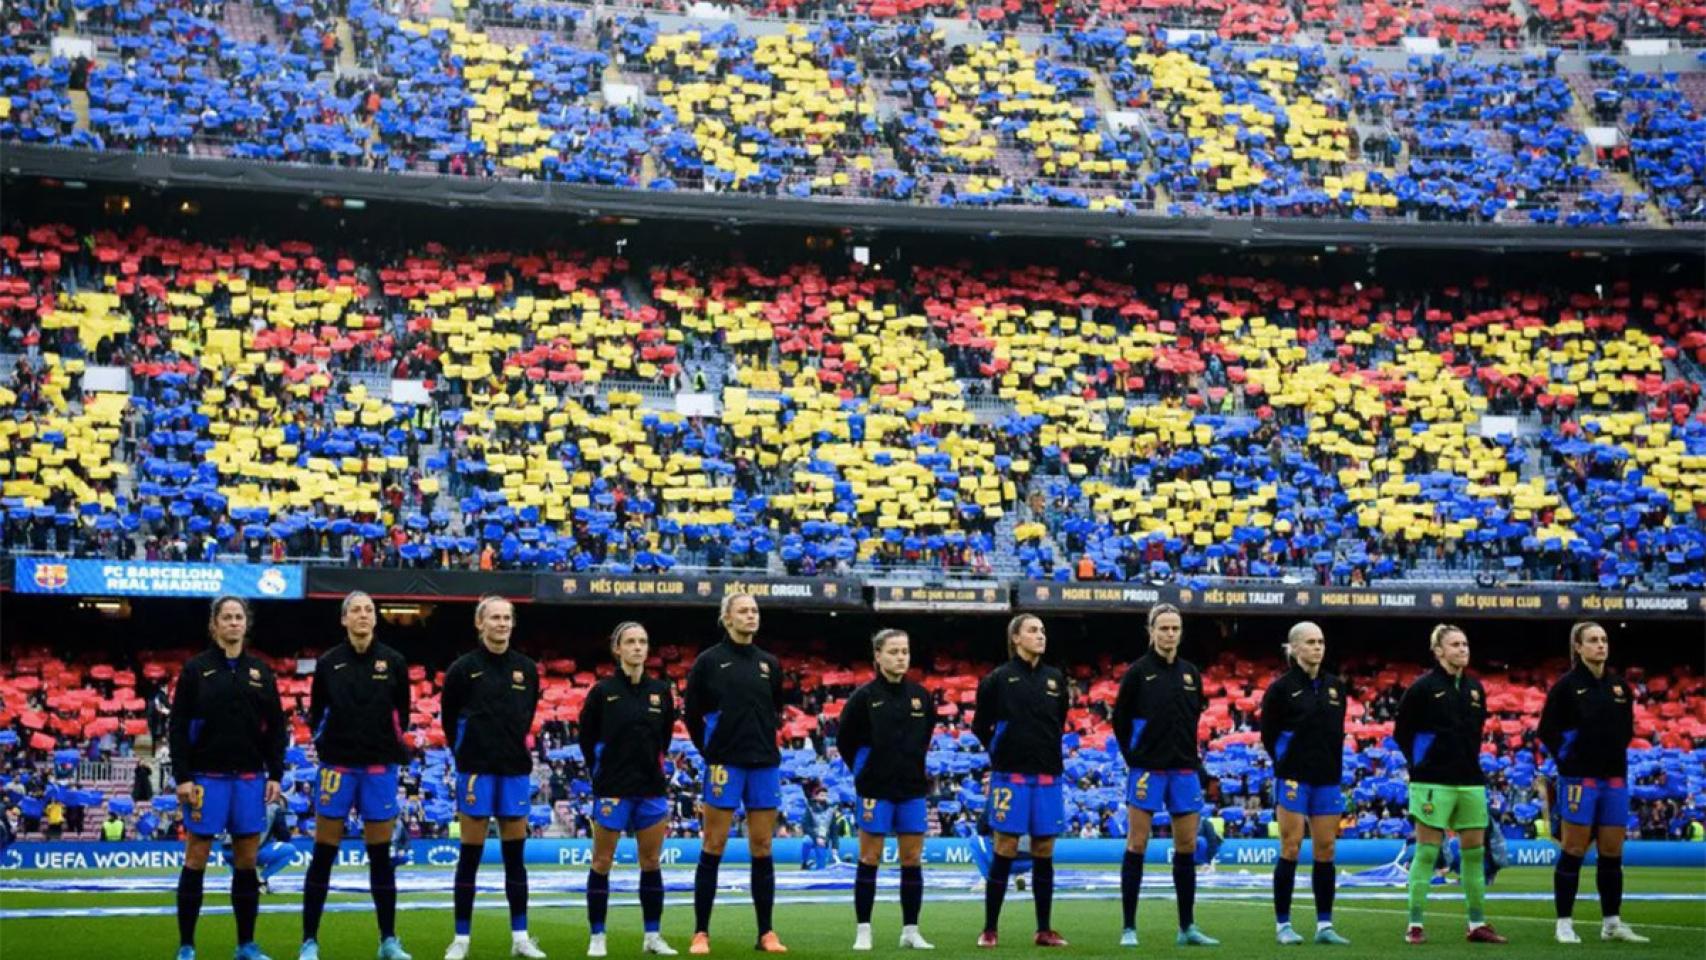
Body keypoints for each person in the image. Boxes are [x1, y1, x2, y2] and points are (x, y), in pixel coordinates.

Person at [169, 595, 288, 960]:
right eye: (227, 617)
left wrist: (276, 773)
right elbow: (177, 727)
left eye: (239, 617)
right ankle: (187, 945)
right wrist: (183, 777)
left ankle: (246, 945)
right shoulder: (195, 670)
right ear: (215, 625)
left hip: (251, 778)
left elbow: (276, 728)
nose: (234, 622)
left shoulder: (260, 671)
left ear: (245, 624)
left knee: (247, 860)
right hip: (206, 778)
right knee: (197, 857)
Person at [300, 592, 414, 960]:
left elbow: (403, 715)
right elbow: (317, 715)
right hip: (338, 768)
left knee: (380, 857)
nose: (363, 616)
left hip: (379, 769)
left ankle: (388, 941)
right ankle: (309, 941)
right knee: (323, 854)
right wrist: (331, 747)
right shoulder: (329, 663)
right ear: (344, 619)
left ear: (375, 619)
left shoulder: (394, 661)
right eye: (356, 610)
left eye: (369, 610)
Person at [683, 594, 788, 954]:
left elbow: (777, 708)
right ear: (726, 618)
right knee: (714, 844)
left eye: (755, 611)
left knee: (762, 845)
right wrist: (710, 751)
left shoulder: (769, 663)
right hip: (724, 765)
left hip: (763, 763)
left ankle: (766, 933)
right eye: (743, 611)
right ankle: (701, 932)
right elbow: (691, 713)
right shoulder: (708, 662)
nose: (751, 616)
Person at [441, 597, 544, 960]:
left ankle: (520, 938)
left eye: (507, 618)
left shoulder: (527, 669)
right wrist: (470, 752)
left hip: (514, 770)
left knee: (515, 859)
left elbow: (527, 715)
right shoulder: (462, 669)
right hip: (476, 771)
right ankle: (461, 939)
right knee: (469, 856)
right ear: (479, 623)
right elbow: (449, 720)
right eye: (495, 618)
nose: (501, 624)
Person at [1111, 604, 1218, 948]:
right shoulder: (1138, 673)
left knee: (1186, 846)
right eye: (1164, 628)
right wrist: (1135, 758)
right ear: (1151, 631)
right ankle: (1129, 927)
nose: (1170, 634)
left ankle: (1186, 926)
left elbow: (1193, 718)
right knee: (1137, 844)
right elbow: (1120, 722)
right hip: (1147, 770)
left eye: (1175, 628)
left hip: (1184, 769)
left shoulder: (1190, 674)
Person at [1538, 621, 1649, 944]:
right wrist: (1569, 762)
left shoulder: (1619, 687)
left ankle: (1611, 923)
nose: (1601, 645)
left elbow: (1626, 730)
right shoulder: (1566, 687)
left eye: (1603, 640)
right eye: (1593, 640)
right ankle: (1564, 922)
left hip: (1614, 776)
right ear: (1578, 647)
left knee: (1612, 852)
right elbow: (1547, 731)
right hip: (1579, 778)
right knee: (1573, 849)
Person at [1393, 624, 1505, 944]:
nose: (1462, 649)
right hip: (1432, 782)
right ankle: (1415, 925)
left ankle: (1477, 924)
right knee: (1427, 853)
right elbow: (1403, 733)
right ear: (1439, 651)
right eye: (1455, 645)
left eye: (1465, 644)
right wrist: (1422, 764)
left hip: (1470, 780)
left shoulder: (1474, 688)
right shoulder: (1422, 688)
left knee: (1473, 854)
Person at [577, 621, 680, 958]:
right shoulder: (602, 692)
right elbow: (587, 740)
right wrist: (604, 771)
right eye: (631, 642)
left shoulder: (661, 692)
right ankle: (597, 936)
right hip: (612, 788)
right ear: (617, 649)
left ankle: (652, 935)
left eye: (643, 642)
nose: (638, 647)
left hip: (650, 788)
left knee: (651, 862)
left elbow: (663, 738)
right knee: (602, 861)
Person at [970, 614, 1068, 948]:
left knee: (1044, 849)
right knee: (1005, 847)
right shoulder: (998, 679)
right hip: (1010, 776)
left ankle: (1044, 929)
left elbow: (1059, 721)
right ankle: (989, 928)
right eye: (1032, 630)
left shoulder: (1055, 679)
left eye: (1042, 630)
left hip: (1047, 776)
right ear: (1016, 638)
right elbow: (980, 726)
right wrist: (1001, 752)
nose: (1040, 635)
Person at [834, 628, 936, 951]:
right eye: (893, 652)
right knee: (870, 857)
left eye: (905, 651)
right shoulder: (864, 698)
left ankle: (910, 929)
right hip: (875, 789)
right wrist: (866, 770)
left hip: (911, 789)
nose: (901, 657)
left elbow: (925, 737)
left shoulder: (921, 696)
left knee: (912, 858)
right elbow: (844, 741)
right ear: (878, 656)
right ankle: (864, 929)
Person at [1258, 622, 1352, 946]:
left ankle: (1324, 925)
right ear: (1295, 648)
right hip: (1294, 778)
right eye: (1311, 642)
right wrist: (1287, 762)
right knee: (1291, 845)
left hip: (1327, 778)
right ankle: (1283, 924)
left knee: (1326, 849)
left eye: (1321, 641)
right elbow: (1269, 736)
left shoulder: (1336, 687)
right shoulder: (1281, 689)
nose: (1317, 647)